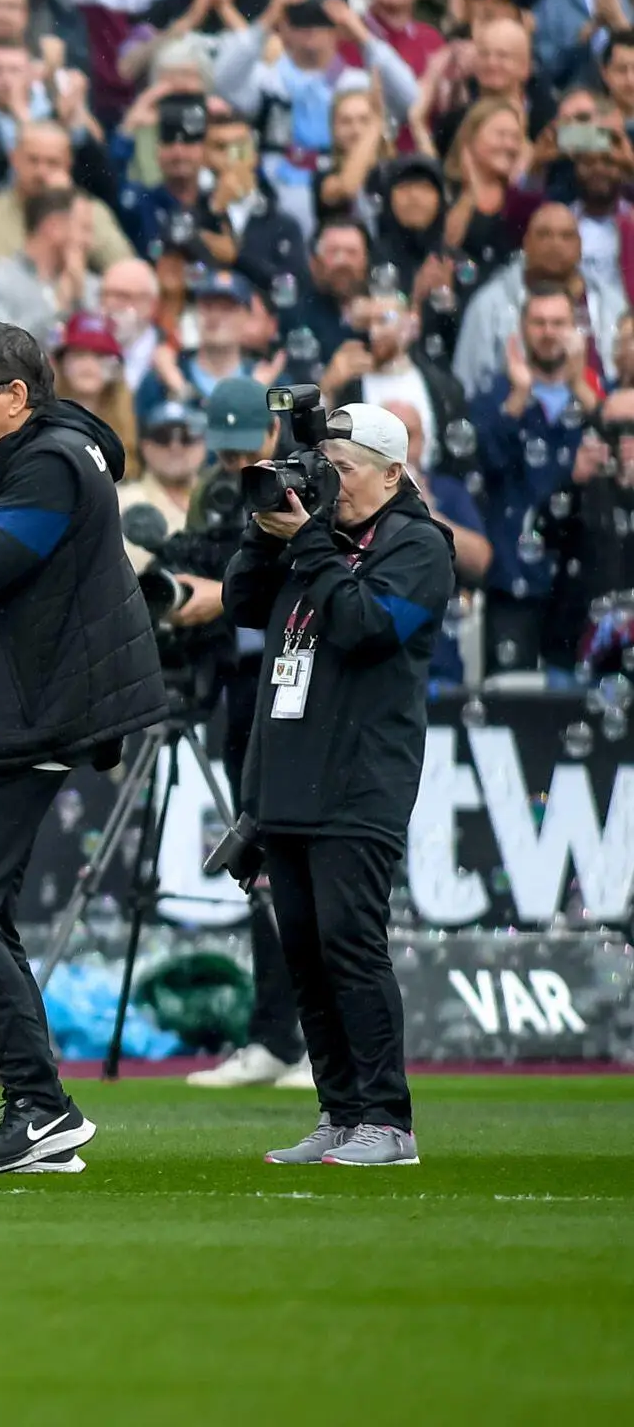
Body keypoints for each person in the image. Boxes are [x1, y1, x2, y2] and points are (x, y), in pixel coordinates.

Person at [0, 320, 166, 1174]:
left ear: (16, 396)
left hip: (38, 709)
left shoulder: (53, 462)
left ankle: (39, 1105)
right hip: (32, 704)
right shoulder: (48, 453)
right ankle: (35, 1104)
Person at [227, 402, 456, 1168]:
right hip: (290, 775)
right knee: (306, 955)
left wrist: (314, 544)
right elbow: (243, 607)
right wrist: (267, 537)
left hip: (361, 780)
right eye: (327, 468)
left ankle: (388, 1121)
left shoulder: (419, 546)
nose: (332, 483)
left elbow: (365, 628)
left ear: (393, 473)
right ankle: (340, 1110)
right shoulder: (320, 539)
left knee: (350, 947)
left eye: (345, 470)